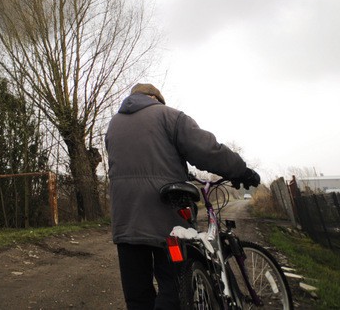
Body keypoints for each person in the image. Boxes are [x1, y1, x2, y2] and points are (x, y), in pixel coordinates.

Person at [105, 83, 260, 310]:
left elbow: (136, 162)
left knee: (137, 296)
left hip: (126, 220)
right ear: (156, 98)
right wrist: (240, 170)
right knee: (175, 288)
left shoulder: (113, 125)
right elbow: (207, 150)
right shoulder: (169, 116)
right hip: (166, 217)